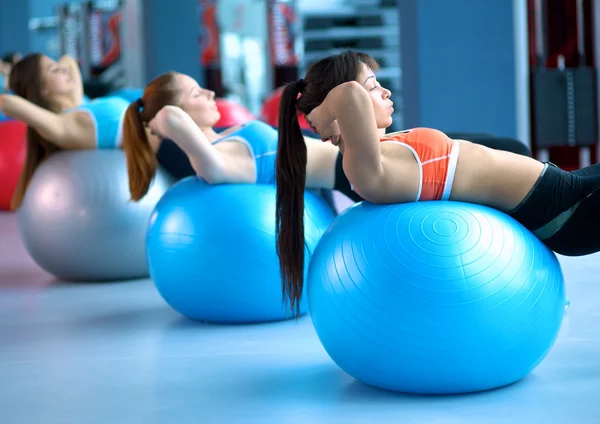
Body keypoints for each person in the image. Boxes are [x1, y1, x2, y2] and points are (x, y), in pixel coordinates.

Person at [275, 50, 600, 314]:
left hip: (565, 187)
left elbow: (349, 96)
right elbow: (348, 94)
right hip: (567, 210)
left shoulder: (387, 149)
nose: (385, 91)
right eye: (372, 86)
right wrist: (327, 111)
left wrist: (331, 110)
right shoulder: (368, 172)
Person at [123, 71, 532, 205]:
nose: (211, 93)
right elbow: (214, 171)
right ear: (170, 116)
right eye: (197, 93)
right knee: (511, 153)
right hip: (361, 167)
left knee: (505, 145)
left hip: (373, 152)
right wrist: (171, 125)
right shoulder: (216, 152)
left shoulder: (229, 134)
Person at [0, 53, 128, 210]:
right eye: (54, 70)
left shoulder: (77, 101)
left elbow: (68, 59)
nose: (64, 69)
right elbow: (7, 102)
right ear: (42, 90)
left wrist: (52, 67)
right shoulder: (64, 125)